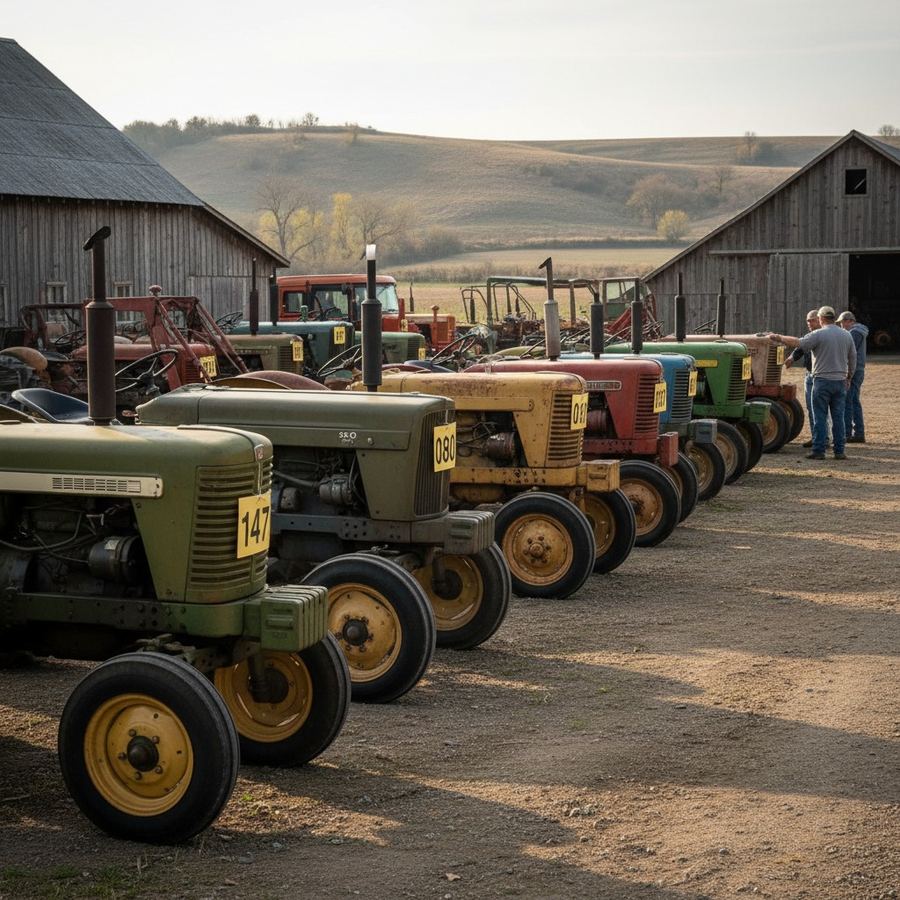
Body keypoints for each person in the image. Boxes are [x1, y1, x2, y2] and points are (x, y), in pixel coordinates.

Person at [768, 305, 856, 460]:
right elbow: (852, 358)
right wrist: (849, 377)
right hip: (840, 381)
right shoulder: (846, 335)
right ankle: (839, 451)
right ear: (834, 318)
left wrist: (779, 338)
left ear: (821, 319)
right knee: (838, 417)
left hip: (822, 381)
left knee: (820, 417)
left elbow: (798, 343)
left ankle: (819, 450)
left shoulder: (818, 334)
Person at [784, 309, 820, 447]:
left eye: (812, 320)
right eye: (808, 320)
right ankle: (817, 437)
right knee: (812, 408)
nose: (809, 323)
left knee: (820, 409)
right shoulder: (810, 336)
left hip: (819, 376)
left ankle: (824, 438)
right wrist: (792, 358)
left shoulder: (821, 335)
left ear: (820, 320)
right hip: (809, 374)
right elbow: (800, 347)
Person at [837, 310, 868, 442]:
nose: (841, 326)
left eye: (843, 323)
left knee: (848, 401)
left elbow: (849, 352)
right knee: (854, 400)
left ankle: (848, 433)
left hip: (854, 370)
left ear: (850, 321)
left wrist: (847, 373)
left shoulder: (854, 333)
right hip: (858, 369)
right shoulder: (858, 332)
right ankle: (858, 433)